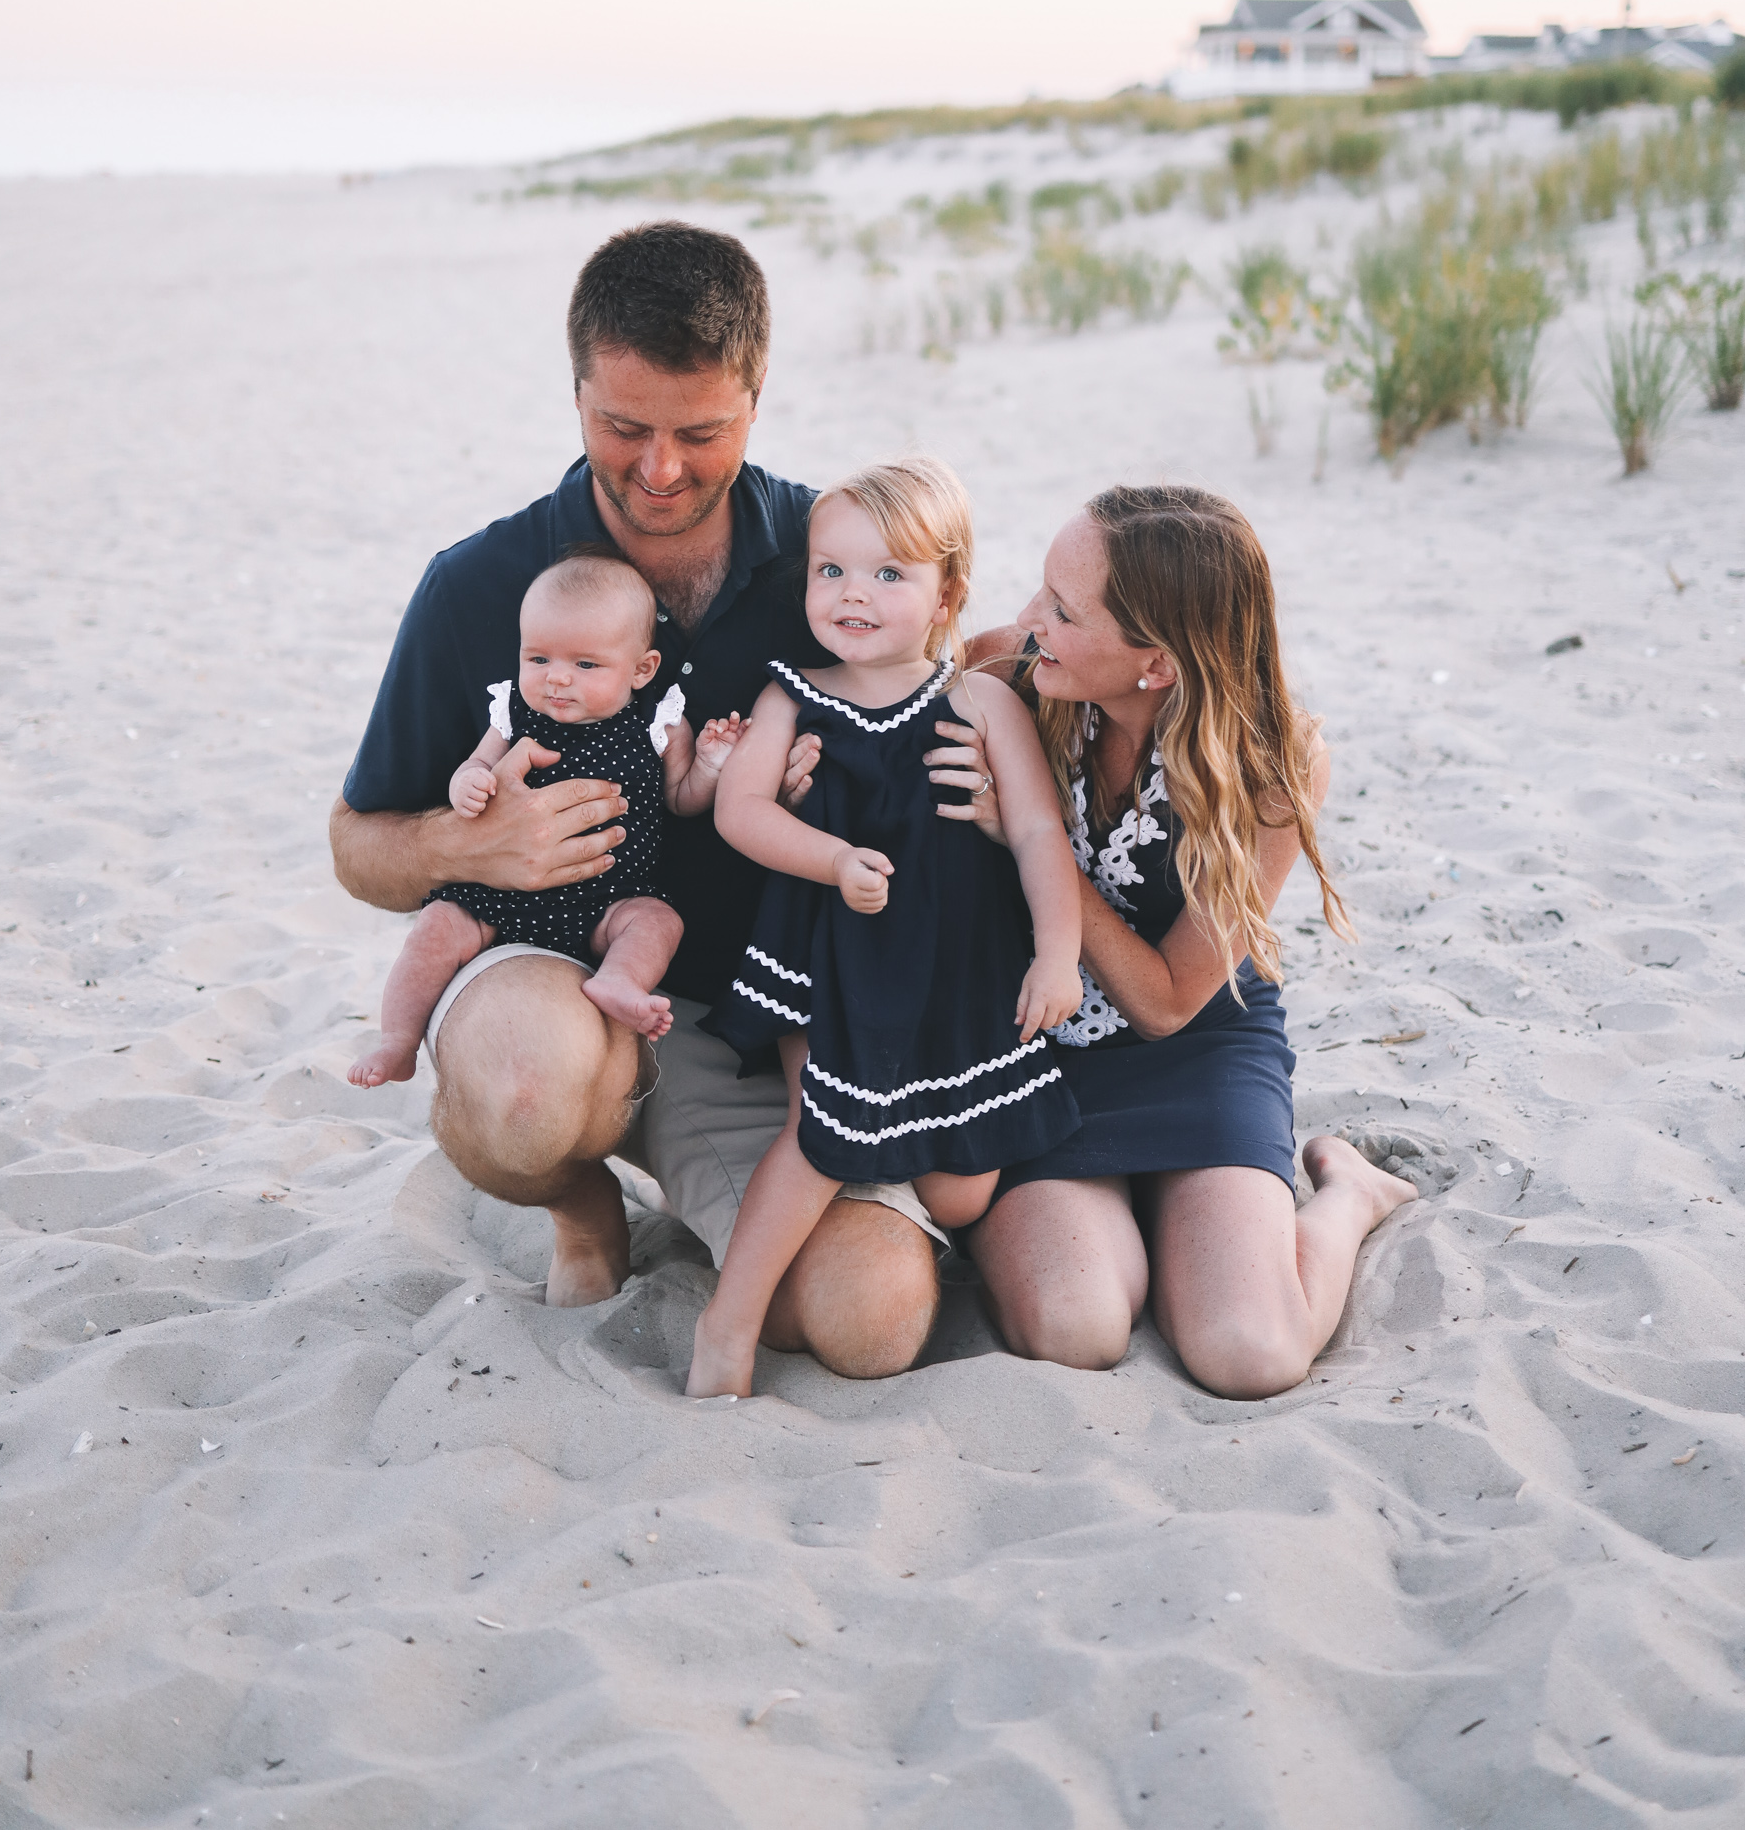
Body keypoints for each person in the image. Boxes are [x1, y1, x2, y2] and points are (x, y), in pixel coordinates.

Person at [329, 221, 947, 1371]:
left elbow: (968, 679)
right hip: (559, 984)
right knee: (521, 1096)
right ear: (575, 396)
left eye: (701, 433)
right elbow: (356, 843)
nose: (660, 469)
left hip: (770, 1030)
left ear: (757, 398)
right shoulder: (480, 584)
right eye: (623, 427)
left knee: (876, 1320)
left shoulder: (840, 561)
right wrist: (471, 844)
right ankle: (581, 1204)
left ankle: (717, 1195)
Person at [946, 485, 1415, 1399]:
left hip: (1194, 1041)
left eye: (1063, 610)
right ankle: (1157, 1231)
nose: (1026, 619)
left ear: (1155, 663)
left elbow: (1166, 1002)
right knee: (1073, 1326)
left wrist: (1031, 838)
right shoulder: (1004, 674)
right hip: (1033, 1033)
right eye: (1041, 588)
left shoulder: (1275, 766)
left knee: (1251, 1353)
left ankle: (1350, 1194)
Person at [686, 458, 1084, 1399]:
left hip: (950, 966)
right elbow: (741, 811)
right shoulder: (796, 695)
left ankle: (880, 1183)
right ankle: (727, 1326)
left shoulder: (982, 703)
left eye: (888, 574)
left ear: (948, 590)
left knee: (959, 1190)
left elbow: (1035, 831)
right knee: (822, 1129)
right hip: (830, 958)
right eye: (831, 571)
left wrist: (1060, 953)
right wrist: (831, 861)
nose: (852, 594)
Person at [345, 548, 748, 1088]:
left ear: (641, 669)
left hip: (608, 900)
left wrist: (712, 764)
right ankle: (397, 1039)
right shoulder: (513, 711)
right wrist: (468, 784)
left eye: (585, 665)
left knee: (658, 921)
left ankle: (619, 982)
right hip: (500, 896)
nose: (557, 679)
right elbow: (477, 762)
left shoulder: (659, 721)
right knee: (436, 926)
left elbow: (683, 798)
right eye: (538, 659)